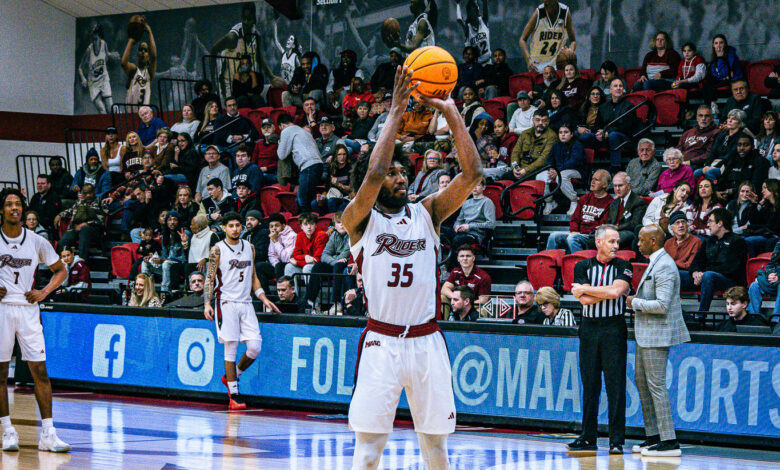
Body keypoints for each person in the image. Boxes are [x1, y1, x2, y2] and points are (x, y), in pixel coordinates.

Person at [343, 65, 482, 470]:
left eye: (405, 172)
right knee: (368, 452)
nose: (400, 177)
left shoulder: (427, 213)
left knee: (436, 451)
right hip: (381, 343)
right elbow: (374, 171)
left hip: (427, 341)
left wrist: (451, 111)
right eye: (395, 173)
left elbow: (472, 174)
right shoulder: (358, 220)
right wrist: (395, 111)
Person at [0, 188, 70, 453]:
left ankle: (49, 434)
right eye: (9, 204)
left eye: (18, 204)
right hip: (2, 308)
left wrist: (43, 292)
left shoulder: (36, 241)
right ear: (2, 210)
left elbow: (60, 270)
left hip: (28, 308)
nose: (14, 208)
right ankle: (8, 430)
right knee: (0, 373)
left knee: (39, 370)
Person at [203, 212, 281, 410]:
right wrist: (207, 303)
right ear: (224, 228)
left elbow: (253, 275)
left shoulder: (250, 247)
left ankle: (232, 376)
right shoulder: (217, 250)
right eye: (231, 225)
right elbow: (210, 279)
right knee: (231, 347)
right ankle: (234, 393)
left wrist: (263, 297)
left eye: (238, 225)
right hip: (226, 301)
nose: (236, 228)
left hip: (246, 302)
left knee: (255, 347)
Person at [627, 225, 689, 457]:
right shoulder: (657, 261)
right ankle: (653, 436)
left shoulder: (664, 265)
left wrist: (634, 302)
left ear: (653, 241)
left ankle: (669, 441)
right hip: (646, 334)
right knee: (643, 384)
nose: (638, 244)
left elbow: (662, 306)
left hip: (657, 334)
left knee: (656, 386)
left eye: (642, 240)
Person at [569, 224, 632, 454]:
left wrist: (587, 289)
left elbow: (616, 293)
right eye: (611, 241)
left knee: (615, 385)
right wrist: (601, 292)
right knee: (590, 384)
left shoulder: (624, 265)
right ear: (598, 242)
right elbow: (584, 302)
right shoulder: (582, 265)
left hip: (613, 328)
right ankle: (588, 437)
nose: (616, 246)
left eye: (617, 242)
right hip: (589, 328)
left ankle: (616, 440)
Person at [687, 208, 747, 312]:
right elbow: (696, 262)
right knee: (676, 275)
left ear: (720, 223)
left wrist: (703, 273)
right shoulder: (709, 241)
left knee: (708, 275)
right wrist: (695, 272)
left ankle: (702, 315)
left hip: (729, 281)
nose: (707, 225)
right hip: (705, 278)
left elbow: (730, 268)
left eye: (710, 221)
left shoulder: (737, 242)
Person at [546, 170, 613, 253]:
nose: (592, 182)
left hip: (592, 236)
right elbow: (574, 219)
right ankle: (549, 263)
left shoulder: (610, 202)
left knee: (572, 239)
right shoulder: (585, 198)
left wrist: (582, 233)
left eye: (597, 180)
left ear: (605, 184)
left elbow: (602, 225)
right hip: (578, 233)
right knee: (553, 236)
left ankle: (580, 264)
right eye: (592, 179)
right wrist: (574, 231)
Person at [581, 78, 637, 172]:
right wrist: (599, 133)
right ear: (610, 90)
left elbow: (626, 127)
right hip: (604, 136)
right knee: (585, 136)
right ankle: (584, 168)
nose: (618, 88)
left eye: (620, 86)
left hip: (622, 136)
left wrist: (607, 132)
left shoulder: (629, 106)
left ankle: (615, 168)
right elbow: (597, 125)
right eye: (615, 86)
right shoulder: (603, 107)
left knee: (613, 135)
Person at [306, 212, 351, 315]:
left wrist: (334, 259)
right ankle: (311, 302)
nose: (342, 225)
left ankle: (337, 303)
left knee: (339, 266)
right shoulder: (334, 235)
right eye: (339, 223)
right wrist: (335, 260)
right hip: (336, 263)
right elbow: (324, 255)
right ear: (334, 225)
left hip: (346, 264)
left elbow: (345, 254)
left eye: (344, 222)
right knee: (318, 266)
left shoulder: (351, 235)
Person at [277, 113, 324, 210]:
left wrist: (280, 143)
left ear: (282, 125)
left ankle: (307, 221)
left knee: (302, 201)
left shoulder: (286, 131)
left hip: (308, 166)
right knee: (306, 199)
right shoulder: (304, 131)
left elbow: (281, 155)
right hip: (318, 165)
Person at [519, 0, 576, 73]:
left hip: (557, 66)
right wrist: (528, 60)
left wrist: (570, 52)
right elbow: (522, 40)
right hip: (537, 67)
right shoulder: (539, 13)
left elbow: (573, 41)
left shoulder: (565, 12)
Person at [543, 124, 586, 214]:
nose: (563, 135)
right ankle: (549, 202)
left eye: (566, 132)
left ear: (571, 134)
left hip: (576, 171)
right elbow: (550, 160)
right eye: (560, 132)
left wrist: (557, 171)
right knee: (541, 176)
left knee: (561, 176)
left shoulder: (577, 145)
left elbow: (573, 162)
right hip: (558, 170)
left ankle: (574, 200)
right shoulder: (556, 145)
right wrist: (550, 169)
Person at [285, 213, 329, 300]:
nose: (309, 227)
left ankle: (313, 301)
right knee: (289, 267)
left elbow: (317, 259)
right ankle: (293, 298)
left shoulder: (321, 235)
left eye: (312, 224)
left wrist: (298, 262)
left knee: (307, 268)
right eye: (305, 224)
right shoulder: (300, 235)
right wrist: (305, 257)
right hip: (306, 264)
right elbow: (296, 255)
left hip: (319, 268)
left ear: (316, 225)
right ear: (301, 226)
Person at [697, 109, 751, 181]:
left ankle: (714, 191)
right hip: (715, 164)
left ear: (740, 123)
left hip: (730, 165)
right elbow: (713, 152)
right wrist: (707, 165)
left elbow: (731, 155)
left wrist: (715, 166)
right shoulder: (721, 136)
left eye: (734, 119)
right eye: (729, 118)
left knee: (710, 172)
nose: (730, 121)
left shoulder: (742, 137)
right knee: (696, 172)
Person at [55, 184, 104, 260]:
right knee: (63, 241)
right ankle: (64, 263)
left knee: (84, 230)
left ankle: (82, 261)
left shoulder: (100, 203)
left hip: (93, 230)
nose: (88, 195)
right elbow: (70, 210)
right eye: (85, 193)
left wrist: (86, 224)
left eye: (90, 192)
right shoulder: (79, 202)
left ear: (94, 192)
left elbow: (102, 221)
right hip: (76, 229)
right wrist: (59, 215)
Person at [448, 179, 495, 258]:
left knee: (458, 240)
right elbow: (459, 220)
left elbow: (491, 224)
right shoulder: (466, 203)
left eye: (478, 185)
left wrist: (469, 226)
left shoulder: (487, 202)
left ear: (483, 187)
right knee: (441, 233)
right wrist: (456, 226)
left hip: (476, 234)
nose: (474, 188)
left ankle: (452, 268)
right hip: (463, 232)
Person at [78, 24, 119, 114]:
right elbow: (80, 67)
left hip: (104, 79)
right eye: (93, 39)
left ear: (100, 38)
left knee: (110, 109)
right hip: (93, 83)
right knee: (102, 110)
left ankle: (118, 118)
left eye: (96, 39)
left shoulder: (104, 44)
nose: (94, 42)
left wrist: (112, 55)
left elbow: (107, 54)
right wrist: (83, 78)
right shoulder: (89, 50)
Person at [717, 135, 770, 203]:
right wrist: (719, 192)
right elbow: (722, 178)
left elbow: (755, 186)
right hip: (726, 196)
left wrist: (732, 191)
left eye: (745, 145)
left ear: (753, 147)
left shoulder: (760, 162)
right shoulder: (733, 160)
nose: (742, 148)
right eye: (739, 145)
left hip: (747, 198)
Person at [441, 245, 492, 314]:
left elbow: (483, 300)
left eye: (468, 256)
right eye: (462, 256)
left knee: (483, 309)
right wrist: (455, 297)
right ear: (458, 259)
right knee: (443, 298)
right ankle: (444, 324)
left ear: (473, 258)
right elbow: (444, 289)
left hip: (473, 307)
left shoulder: (483, 276)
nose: (465, 258)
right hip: (458, 304)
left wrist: (463, 305)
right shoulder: (455, 272)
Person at [601, 172, 647, 249]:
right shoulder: (614, 203)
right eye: (615, 186)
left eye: (620, 185)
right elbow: (610, 221)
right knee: (594, 238)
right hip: (613, 231)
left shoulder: (638, 201)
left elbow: (635, 224)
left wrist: (616, 227)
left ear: (628, 185)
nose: (617, 189)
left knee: (610, 239)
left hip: (628, 232)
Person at [510, 110, 557, 180]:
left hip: (537, 170)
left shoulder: (552, 136)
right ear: (533, 120)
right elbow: (516, 152)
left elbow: (543, 159)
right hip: (521, 169)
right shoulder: (525, 133)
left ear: (548, 122)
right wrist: (515, 168)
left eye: (544, 120)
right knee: (505, 178)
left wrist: (526, 170)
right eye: (537, 120)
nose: (540, 123)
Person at [121, 17, 157, 106]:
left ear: (148, 56)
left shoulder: (149, 72)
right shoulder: (133, 70)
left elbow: (154, 56)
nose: (143, 52)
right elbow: (123, 63)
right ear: (137, 54)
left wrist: (149, 31)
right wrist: (131, 41)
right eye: (141, 49)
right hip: (130, 114)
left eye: (145, 50)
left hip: (144, 112)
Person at [257, 213, 297, 292]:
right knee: (259, 266)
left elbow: (286, 258)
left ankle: (280, 295)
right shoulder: (273, 235)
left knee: (280, 266)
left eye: (276, 225)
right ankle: (267, 295)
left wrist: (275, 241)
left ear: (283, 226)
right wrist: (275, 264)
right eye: (271, 226)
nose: (274, 228)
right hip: (277, 266)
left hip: (289, 266)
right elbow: (271, 254)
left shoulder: (292, 236)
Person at [702, 34, 743, 110]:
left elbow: (727, 72)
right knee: (706, 83)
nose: (718, 45)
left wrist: (724, 75)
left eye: (721, 43)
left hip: (732, 79)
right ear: (713, 45)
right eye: (716, 43)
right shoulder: (714, 57)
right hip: (721, 79)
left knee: (712, 87)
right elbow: (715, 73)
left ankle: (713, 105)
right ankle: (708, 108)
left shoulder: (731, 55)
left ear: (725, 44)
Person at [742, 180, 780, 257]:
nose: (762, 191)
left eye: (765, 188)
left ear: (773, 189)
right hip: (766, 234)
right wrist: (754, 203)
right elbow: (755, 221)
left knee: (748, 241)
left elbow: (771, 227)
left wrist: (750, 227)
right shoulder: (767, 206)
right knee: (741, 239)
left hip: (775, 236)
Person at [748, 239, 780, 323]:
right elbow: (771, 264)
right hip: (775, 277)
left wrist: (779, 277)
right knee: (754, 286)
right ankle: (754, 319)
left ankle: (776, 320)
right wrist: (770, 273)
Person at [664, 211, 702, 275]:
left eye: (683, 222)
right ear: (672, 228)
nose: (681, 225)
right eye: (677, 223)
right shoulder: (668, 242)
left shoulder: (696, 241)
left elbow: (690, 265)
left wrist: (671, 264)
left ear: (687, 226)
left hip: (685, 274)